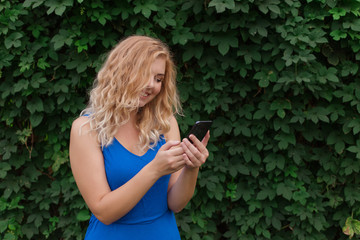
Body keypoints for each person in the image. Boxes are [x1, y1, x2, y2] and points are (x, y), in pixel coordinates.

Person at [69, 35, 210, 239]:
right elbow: (103, 212)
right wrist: (154, 169)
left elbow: (176, 204)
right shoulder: (86, 129)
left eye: (158, 79)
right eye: (144, 74)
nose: (152, 85)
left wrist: (192, 166)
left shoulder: (165, 123)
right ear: (122, 71)